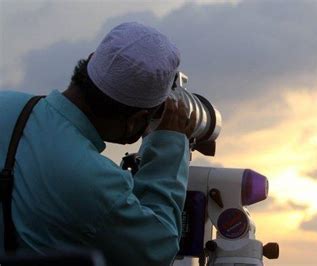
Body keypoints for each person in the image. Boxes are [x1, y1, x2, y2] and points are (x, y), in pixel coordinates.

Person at [0, 22, 196, 265]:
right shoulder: (96, 183)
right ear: (136, 121)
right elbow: (158, 248)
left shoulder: (4, 102)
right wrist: (169, 144)